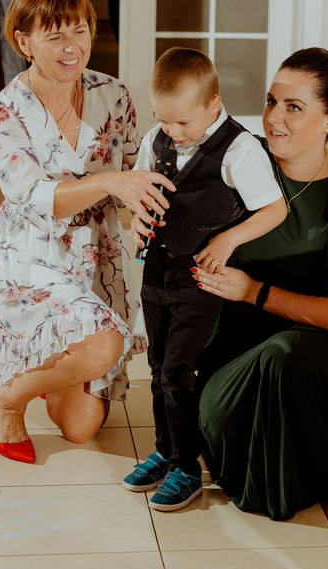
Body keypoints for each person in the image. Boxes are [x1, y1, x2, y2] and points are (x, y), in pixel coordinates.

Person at [193, 47, 328, 520]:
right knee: (214, 414)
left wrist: (252, 291)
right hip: (243, 329)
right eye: (271, 101)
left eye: (293, 107)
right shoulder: (243, 159)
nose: (273, 118)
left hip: (319, 337)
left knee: (281, 359)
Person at [0, 0, 174, 463]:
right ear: (24, 41)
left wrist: (145, 213)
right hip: (31, 253)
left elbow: (134, 169)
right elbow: (34, 198)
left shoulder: (114, 94)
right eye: (55, 36)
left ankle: (57, 360)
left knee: (80, 428)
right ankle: (6, 400)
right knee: (104, 346)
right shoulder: (4, 112)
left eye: (80, 31)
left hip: (96, 252)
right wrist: (110, 184)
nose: (72, 47)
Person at [122, 48, 286, 511]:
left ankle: (187, 467)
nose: (172, 132)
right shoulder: (157, 139)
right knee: (158, 366)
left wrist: (228, 240)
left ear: (214, 104)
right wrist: (137, 218)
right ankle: (166, 450)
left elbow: (275, 209)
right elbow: (140, 192)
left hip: (200, 279)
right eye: (163, 119)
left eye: (183, 122)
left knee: (179, 371)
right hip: (157, 271)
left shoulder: (238, 149)